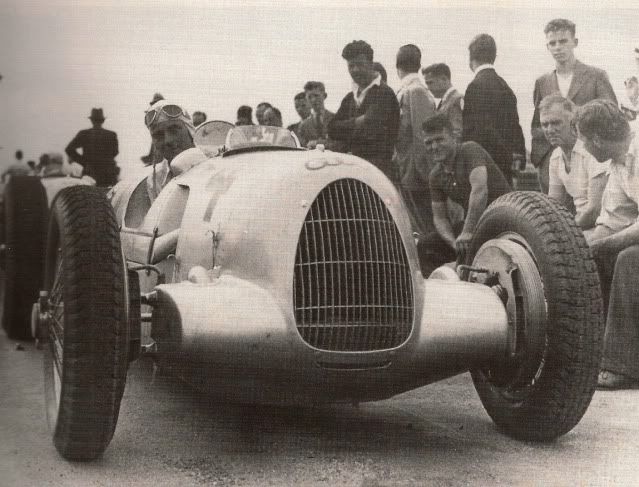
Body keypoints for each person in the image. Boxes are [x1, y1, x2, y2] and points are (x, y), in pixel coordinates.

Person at [574, 100, 639, 389]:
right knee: (596, 255)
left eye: (584, 141)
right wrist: (575, 246)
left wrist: (605, 244)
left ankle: (622, 366)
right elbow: (611, 221)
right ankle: (597, 352)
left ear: (597, 140)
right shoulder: (618, 163)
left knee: (628, 259)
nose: (584, 148)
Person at [531, 19, 617, 194]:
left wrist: (577, 111)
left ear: (574, 42)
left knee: (588, 212)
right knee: (555, 215)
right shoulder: (542, 82)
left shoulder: (596, 76)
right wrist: (541, 159)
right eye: (552, 43)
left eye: (563, 41)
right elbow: (537, 125)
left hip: (590, 159)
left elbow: (613, 115)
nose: (557, 47)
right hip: (553, 162)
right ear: (547, 46)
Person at [425, 113, 511, 271]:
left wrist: (467, 232)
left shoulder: (469, 150)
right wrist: (453, 243)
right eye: (429, 142)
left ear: (454, 137)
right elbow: (440, 217)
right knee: (426, 247)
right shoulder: (435, 175)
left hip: (503, 217)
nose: (434, 147)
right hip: (478, 223)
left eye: (439, 139)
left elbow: (480, 191)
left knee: (470, 256)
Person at [328, 40, 400, 182]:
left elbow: (370, 130)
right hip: (356, 173)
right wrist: (357, 122)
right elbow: (331, 129)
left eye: (359, 64)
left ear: (371, 64)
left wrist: (346, 128)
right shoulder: (350, 97)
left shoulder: (384, 94)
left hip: (379, 174)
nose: (355, 70)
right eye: (351, 66)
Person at [462, 33, 526, 186]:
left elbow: (474, 131)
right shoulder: (505, 86)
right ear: (494, 56)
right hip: (505, 164)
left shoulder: (474, 86)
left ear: (471, 59)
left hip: (483, 164)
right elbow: (515, 127)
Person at [541, 93, 608, 232]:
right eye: (545, 124)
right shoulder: (555, 157)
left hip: (604, 224)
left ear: (572, 122)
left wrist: (566, 232)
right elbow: (554, 208)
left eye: (555, 122)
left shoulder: (591, 151)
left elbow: (595, 210)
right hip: (581, 226)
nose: (549, 130)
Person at [144, 100, 207, 201]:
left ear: (190, 131)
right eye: (158, 135)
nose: (168, 140)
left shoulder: (215, 162)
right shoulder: (156, 180)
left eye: (174, 130)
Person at [393, 44, 436, 182]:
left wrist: (425, 172)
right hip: (406, 167)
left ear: (397, 66)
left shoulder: (415, 91)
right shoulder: (410, 89)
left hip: (414, 172)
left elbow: (422, 135)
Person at [65, 108, 119, 186]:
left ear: (91, 121)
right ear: (102, 121)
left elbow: (69, 149)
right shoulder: (111, 135)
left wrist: (84, 162)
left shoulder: (84, 134)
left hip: (90, 173)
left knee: (88, 196)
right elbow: (115, 152)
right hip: (108, 175)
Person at [422, 63, 464, 140]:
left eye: (430, 82)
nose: (428, 88)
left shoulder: (456, 100)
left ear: (444, 79)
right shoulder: (446, 101)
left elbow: (457, 134)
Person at [297, 81, 335, 149]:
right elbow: (301, 148)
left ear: (324, 96)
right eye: (309, 97)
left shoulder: (336, 119)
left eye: (316, 95)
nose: (313, 100)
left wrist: (318, 143)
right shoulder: (304, 126)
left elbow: (341, 143)